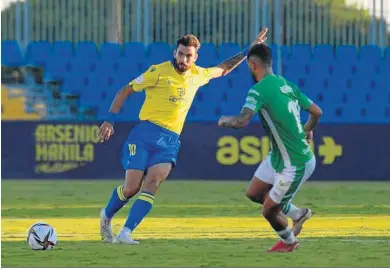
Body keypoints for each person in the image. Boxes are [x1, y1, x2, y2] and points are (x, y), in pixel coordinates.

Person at [97, 29, 268, 244]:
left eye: (189, 56)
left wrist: (247, 51)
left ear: (195, 58)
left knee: (153, 182)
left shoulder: (198, 74)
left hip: (169, 140)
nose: (184, 59)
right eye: (181, 54)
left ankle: (126, 232)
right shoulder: (157, 71)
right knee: (131, 188)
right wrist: (110, 119)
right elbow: (125, 91)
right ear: (175, 52)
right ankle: (106, 216)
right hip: (143, 134)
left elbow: (222, 69)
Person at [218, 43, 323, 252]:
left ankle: (289, 242)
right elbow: (317, 112)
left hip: (296, 162)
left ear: (253, 64)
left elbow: (242, 121)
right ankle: (297, 214)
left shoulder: (258, 90)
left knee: (268, 211)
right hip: (279, 156)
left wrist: (225, 121)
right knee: (254, 192)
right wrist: (308, 129)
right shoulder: (287, 85)